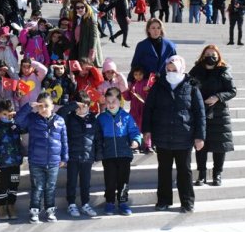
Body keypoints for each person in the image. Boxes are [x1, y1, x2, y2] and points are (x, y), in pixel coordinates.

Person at [142, 56, 205, 213]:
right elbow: (148, 109)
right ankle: (163, 200)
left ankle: (187, 201)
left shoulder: (191, 86)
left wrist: (200, 136)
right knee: (164, 170)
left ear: (181, 69)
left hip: (184, 136)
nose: (171, 73)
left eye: (174, 70)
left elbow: (200, 112)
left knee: (184, 171)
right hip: (162, 136)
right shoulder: (158, 85)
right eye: (168, 70)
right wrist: (147, 130)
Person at [16, 92, 68, 223]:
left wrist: (64, 157)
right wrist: (28, 106)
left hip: (53, 161)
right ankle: (34, 211)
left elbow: (64, 140)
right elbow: (18, 120)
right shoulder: (32, 119)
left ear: (53, 106)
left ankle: (50, 210)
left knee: (50, 187)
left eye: (46, 106)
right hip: (36, 161)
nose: (43, 109)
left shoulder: (59, 120)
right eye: (40, 106)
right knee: (37, 187)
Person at [189, 45, 236, 186]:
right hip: (200, 112)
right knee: (200, 144)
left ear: (218, 56)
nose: (211, 56)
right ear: (203, 55)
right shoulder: (196, 70)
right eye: (208, 53)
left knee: (219, 146)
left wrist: (217, 97)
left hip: (219, 113)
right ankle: (201, 174)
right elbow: (189, 86)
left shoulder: (223, 70)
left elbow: (232, 91)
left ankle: (217, 174)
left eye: (213, 54)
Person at [97, 87, 142, 216]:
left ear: (120, 102)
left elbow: (134, 131)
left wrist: (136, 141)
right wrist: (100, 150)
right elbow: (98, 136)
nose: (111, 105)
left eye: (114, 102)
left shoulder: (127, 117)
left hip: (124, 155)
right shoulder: (101, 118)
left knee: (123, 180)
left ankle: (122, 202)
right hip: (109, 155)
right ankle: (110, 202)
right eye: (108, 101)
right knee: (110, 180)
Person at [57, 91, 102, 218]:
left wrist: (98, 154)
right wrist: (72, 105)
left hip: (88, 157)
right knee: (71, 181)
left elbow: (97, 137)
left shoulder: (93, 118)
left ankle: (85, 203)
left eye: (85, 105)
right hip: (72, 156)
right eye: (80, 106)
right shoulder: (69, 118)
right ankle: (71, 204)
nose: (83, 108)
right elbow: (60, 113)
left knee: (85, 182)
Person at [0, 100, 23, 220]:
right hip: (2, 164)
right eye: (4, 114)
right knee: (4, 184)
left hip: (15, 163)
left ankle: (11, 205)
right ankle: (2, 206)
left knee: (14, 184)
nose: (7, 117)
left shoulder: (16, 126)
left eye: (10, 114)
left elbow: (24, 124)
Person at [71, 0, 104, 64]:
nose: (80, 9)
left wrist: (92, 52)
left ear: (86, 8)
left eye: (82, 7)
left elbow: (94, 37)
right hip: (78, 48)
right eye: (77, 8)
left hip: (87, 50)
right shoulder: (77, 19)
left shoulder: (91, 20)